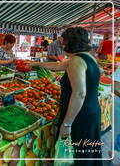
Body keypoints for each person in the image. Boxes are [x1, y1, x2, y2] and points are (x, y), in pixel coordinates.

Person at [28, 27, 102, 166]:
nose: (62, 45)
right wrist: (36, 63)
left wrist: (67, 123)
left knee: (76, 155)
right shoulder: (87, 57)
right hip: (91, 112)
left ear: (70, 43)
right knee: (86, 154)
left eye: (64, 42)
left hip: (80, 116)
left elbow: (79, 94)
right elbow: (58, 66)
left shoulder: (76, 61)